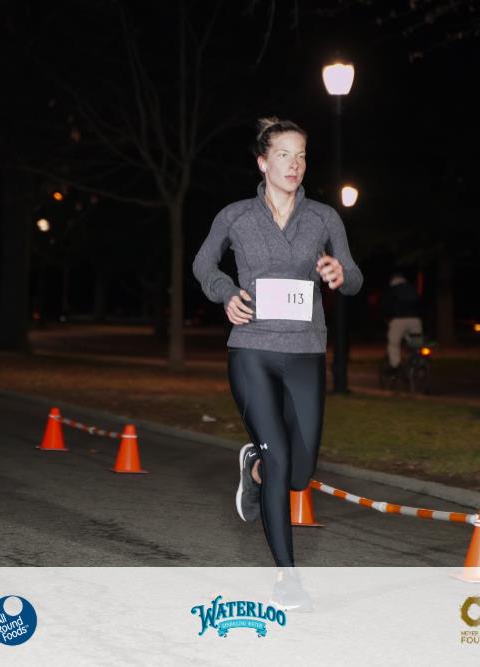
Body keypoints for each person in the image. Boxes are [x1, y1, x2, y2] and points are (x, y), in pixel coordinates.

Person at [192, 117, 363, 606]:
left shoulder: (323, 219)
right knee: (280, 456)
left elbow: (353, 276)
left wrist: (339, 273)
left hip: (305, 352)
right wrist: (226, 292)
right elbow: (204, 264)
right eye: (284, 155)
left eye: (301, 155)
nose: (295, 164)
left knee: (298, 474)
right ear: (263, 162)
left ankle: (256, 470)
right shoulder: (236, 216)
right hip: (252, 350)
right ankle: (289, 580)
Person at [381, 272, 423, 374]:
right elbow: (420, 303)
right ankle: (418, 364)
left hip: (399, 320)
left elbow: (386, 305)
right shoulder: (412, 288)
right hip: (415, 320)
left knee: (393, 343)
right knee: (416, 343)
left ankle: (395, 366)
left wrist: (386, 317)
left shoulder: (393, 290)